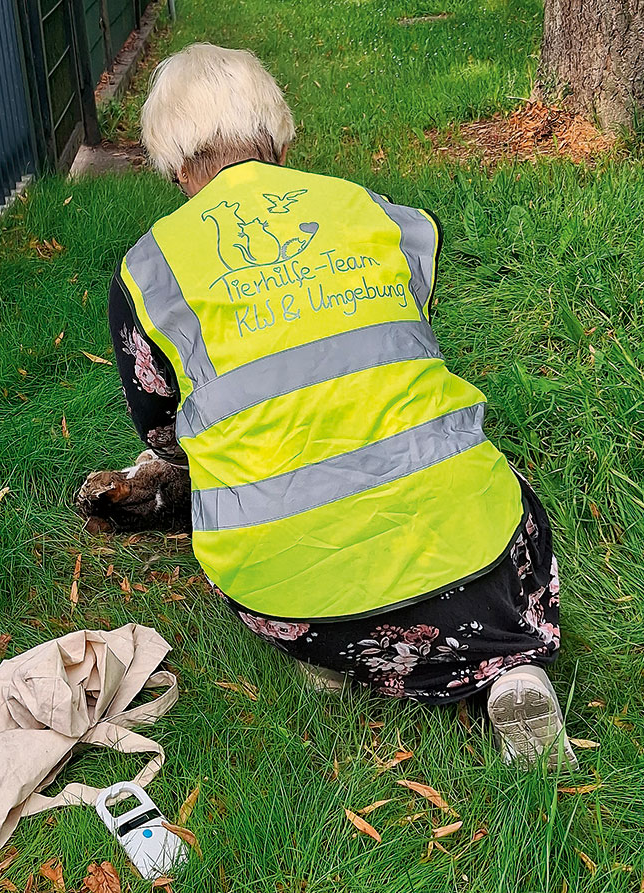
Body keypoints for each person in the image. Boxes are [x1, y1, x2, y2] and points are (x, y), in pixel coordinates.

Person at [105, 42, 576, 769]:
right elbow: (407, 340)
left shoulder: (148, 269)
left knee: (297, 587)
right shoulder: (374, 210)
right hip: (467, 546)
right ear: (280, 133)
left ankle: (334, 658)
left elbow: (163, 430)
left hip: (283, 582)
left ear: (172, 161)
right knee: (511, 518)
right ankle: (508, 666)